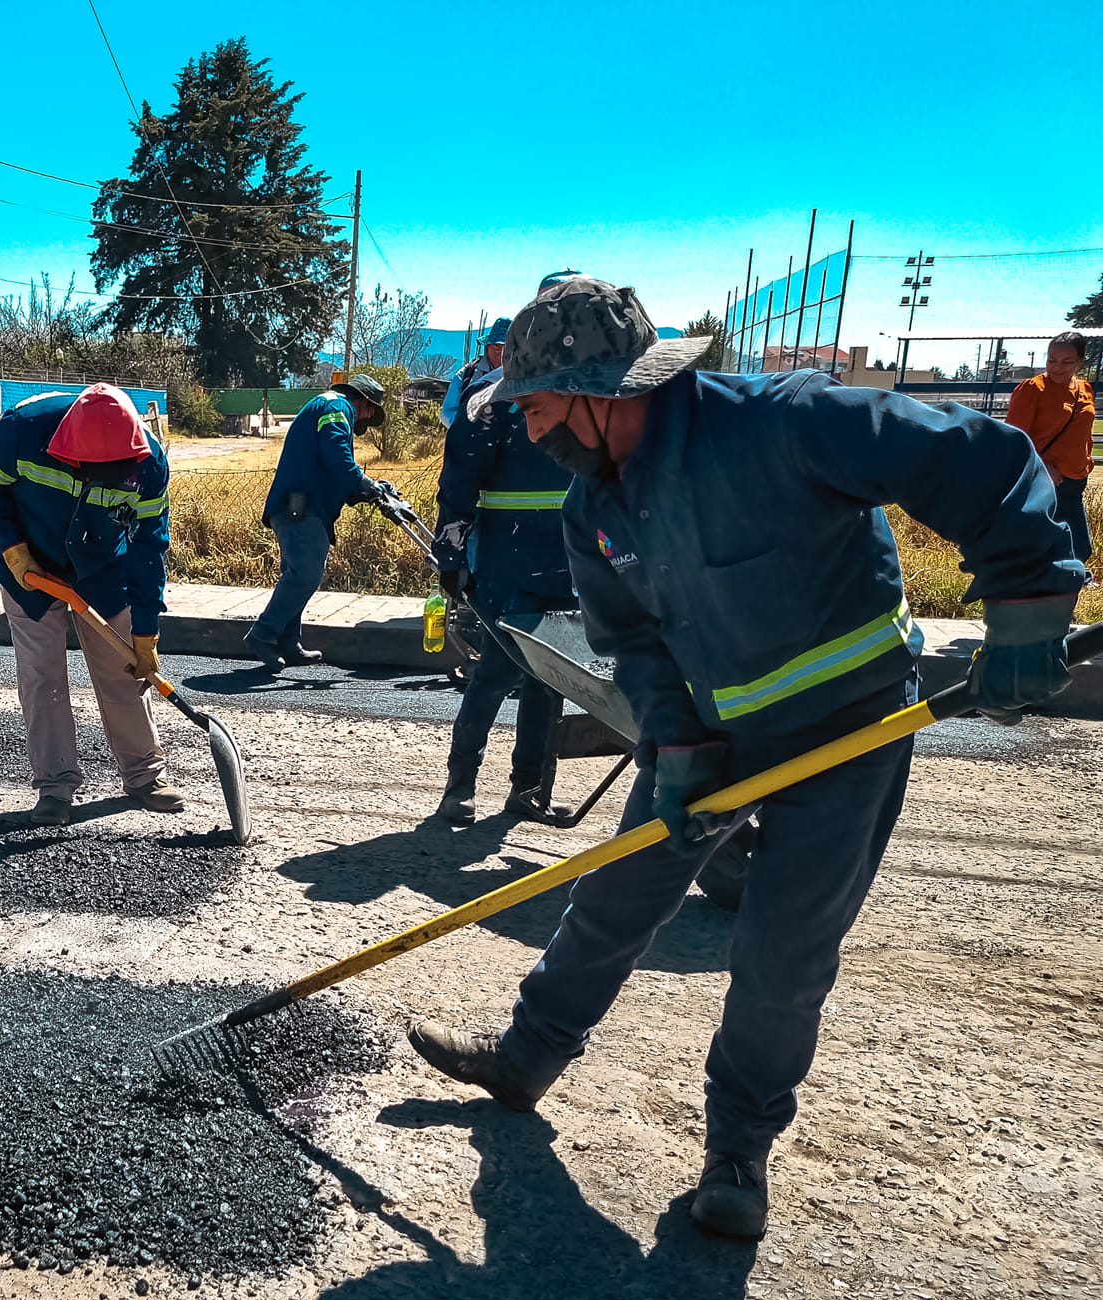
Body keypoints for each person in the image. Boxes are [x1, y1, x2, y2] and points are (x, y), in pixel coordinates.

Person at [409, 277, 1085, 1240]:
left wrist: (1027, 598)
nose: (535, 426)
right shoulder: (594, 506)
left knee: (782, 951)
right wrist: (676, 744)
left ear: (607, 389)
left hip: (850, 733)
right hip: (713, 737)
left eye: (545, 404)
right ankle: (529, 1056)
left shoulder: (786, 424)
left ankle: (738, 1150)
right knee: (612, 894)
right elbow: (634, 642)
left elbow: (984, 457)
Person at [0, 382, 186, 827]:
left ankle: (144, 774)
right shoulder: (23, 433)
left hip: (105, 573)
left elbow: (149, 549)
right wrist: (11, 547)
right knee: (42, 673)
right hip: (30, 568)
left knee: (125, 672)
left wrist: (146, 632)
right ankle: (55, 785)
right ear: (69, 450)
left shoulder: (150, 464)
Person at [431, 366, 577, 823]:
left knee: (550, 680)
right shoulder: (493, 397)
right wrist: (452, 552)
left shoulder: (585, 390)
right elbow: (460, 477)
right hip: (507, 560)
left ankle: (530, 791)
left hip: (567, 561)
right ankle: (459, 789)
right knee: (496, 672)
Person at [244, 374, 395, 671]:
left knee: (299, 575)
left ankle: (289, 641)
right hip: (300, 508)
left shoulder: (327, 406)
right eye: (368, 411)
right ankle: (263, 634)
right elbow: (337, 457)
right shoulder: (337, 408)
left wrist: (366, 490)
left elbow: (329, 468)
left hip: (301, 506)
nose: (365, 418)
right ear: (363, 400)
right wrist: (365, 482)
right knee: (305, 575)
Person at [1005, 331, 1095, 565]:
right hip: (1046, 480)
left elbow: (1084, 431)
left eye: (1067, 362)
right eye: (1051, 360)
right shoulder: (1032, 389)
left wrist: (1086, 462)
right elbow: (1014, 439)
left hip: (1075, 480)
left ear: (1080, 362)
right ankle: (1036, 591)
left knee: (1079, 547)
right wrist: (1042, 466)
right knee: (1043, 545)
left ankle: (1070, 587)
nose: (1057, 367)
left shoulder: (1085, 389)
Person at [440, 317, 511, 428]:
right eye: (497, 349)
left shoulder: (523, 377)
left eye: (506, 349)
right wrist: (466, 428)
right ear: (487, 347)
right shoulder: (466, 375)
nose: (501, 355)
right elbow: (447, 411)